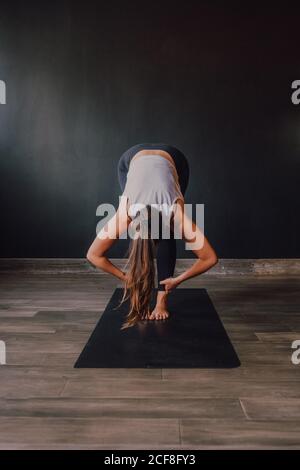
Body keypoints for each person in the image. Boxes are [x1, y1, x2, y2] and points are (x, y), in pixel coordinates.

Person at [87, 143, 218, 328]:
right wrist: (127, 278)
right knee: (143, 247)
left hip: (174, 159)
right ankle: (138, 295)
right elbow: (93, 255)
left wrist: (176, 281)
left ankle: (161, 300)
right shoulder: (125, 214)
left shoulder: (176, 216)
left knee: (168, 235)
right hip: (131, 159)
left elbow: (210, 258)